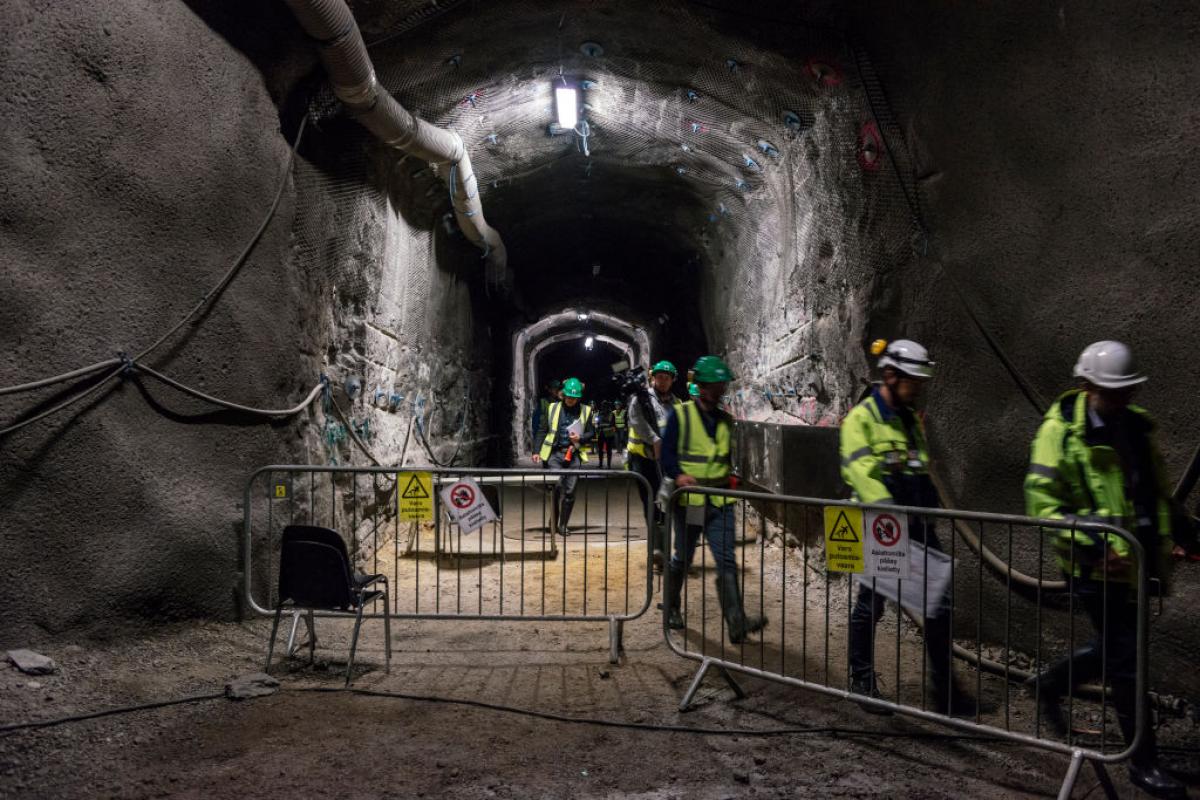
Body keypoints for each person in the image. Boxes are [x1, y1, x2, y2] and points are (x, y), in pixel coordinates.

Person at [1025, 341, 1185, 799]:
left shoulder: (1135, 427)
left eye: (1127, 392)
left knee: (1118, 651)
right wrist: (1093, 548)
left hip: (1135, 560)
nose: (1121, 401)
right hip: (1096, 566)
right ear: (1086, 385)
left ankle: (1051, 683)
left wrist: (1179, 532)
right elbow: (1043, 504)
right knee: (1126, 662)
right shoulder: (1059, 433)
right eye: (1112, 393)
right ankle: (1142, 763)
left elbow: (1154, 489)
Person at [839, 339, 975, 717]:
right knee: (871, 604)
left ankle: (945, 688)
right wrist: (891, 514)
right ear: (890, 375)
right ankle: (862, 681)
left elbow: (918, 467)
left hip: (913, 523)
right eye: (912, 379)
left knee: (939, 602)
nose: (918, 386)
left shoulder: (908, 420)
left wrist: (925, 508)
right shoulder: (862, 420)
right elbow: (860, 472)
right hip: (881, 525)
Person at [661, 356, 766, 643]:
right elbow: (667, 455)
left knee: (726, 560)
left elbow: (723, 458)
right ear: (702, 387)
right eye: (717, 385)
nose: (721, 390)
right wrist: (678, 475)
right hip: (691, 501)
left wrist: (731, 478)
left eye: (722, 385)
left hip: (719, 501)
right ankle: (670, 608)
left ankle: (736, 623)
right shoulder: (680, 416)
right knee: (683, 557)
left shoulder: (726, 421)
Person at [627, 360, 684, 571]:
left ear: (672, 380)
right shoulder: (641, 399)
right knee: (651, 506)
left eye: (666, 378)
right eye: (659, 377)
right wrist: (654, 440)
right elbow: (635, 420)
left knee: (665, 506)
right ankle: (656, 552)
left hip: (665, 462)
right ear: (652, 378)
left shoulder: (677, 404)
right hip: (643, 460)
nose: (662, 381)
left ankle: (663, 552)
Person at [532, 377, 595, 535]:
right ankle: (554, 520)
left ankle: (563, 525)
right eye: (568, 397)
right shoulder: (552, 408)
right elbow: (542, 430)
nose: (571, 400)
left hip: (573, 455)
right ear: (563, 395)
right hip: (554, 454)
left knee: (570, 492)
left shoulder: (586, 410)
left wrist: (580, 439)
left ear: (578, 397)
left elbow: (591, 432)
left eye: (574, 398)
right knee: (556, 488)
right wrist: (536, 451)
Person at [531, 379, 562, 456]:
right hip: (547, 440)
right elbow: (537, 425)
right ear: (549, 389)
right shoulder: (543, 403)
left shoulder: (564, 403)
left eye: (558, 389)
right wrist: (537, 447)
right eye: (554, 388)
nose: (557, 391)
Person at [595, 401, 617, 469]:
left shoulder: (611, 414)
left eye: (605, 406)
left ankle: (608, 465)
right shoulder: (600, 413)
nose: (604, 407)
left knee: (608, 450)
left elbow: (612, 424)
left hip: (608, 434)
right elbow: (597, 423)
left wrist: (601, 425)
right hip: (602, 434)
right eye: (603, 406)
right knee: (601, 450)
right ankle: (601, 464)